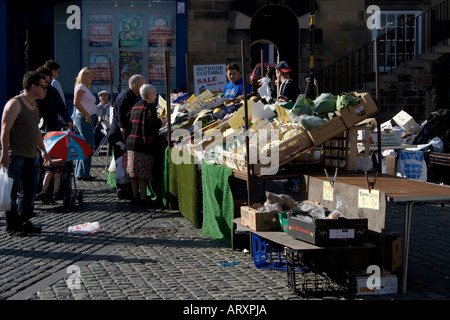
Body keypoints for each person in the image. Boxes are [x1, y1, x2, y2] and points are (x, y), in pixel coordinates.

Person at [0, 71, 51, 237]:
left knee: (29, 193)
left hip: (31, 156)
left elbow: (36, 131)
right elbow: (5, 130)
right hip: (15, 156)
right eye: (43, 86)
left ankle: (24, 221)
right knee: (10, 193)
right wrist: (5, 153)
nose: (45, 90)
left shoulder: (34, 105)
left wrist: (43, 151)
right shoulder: (15, 104)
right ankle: (12, 226)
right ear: (33, 87)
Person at [109, 74, 146, 199]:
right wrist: (125, 140)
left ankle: (127, 190)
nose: (144, 86)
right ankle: (123, 190)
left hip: (123, 134)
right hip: (119, 135)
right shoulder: (125, 97)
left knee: (124, 163)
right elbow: (122, 122)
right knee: (122, 163)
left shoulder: (131, 96)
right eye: (142, 84)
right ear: (135, 85)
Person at [125, 84, 161, 204]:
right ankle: (143, 198)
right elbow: (153, 124)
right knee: (142, 174)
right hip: (143, 143)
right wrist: (161, 121)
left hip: (131, 142)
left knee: (134, 174)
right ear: (149, 94)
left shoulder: (135, 105)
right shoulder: (150, 107)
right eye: (155, 93)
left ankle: (135, 196)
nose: (156, 96)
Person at [73, 67, 97, 181]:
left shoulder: (85, 88)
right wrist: (87, 115)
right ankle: (83, 173)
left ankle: (81, 172)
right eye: (90, 76)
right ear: (84, 76)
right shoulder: (81, 87)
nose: (92, 78)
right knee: (88, 145)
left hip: (87, 118)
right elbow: (76, 103)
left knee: (85, 145)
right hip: (84, 118)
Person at [35, 66, 74, 132]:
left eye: (48, 82)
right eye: (45, 82)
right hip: (36, 126)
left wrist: (68, 121)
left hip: (51, 125)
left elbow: (62, 108)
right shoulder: (34, 92)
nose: (46, 85)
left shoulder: (52, 91)